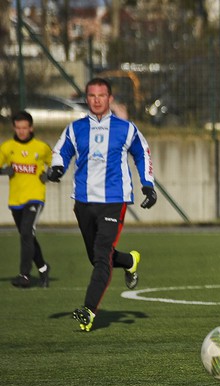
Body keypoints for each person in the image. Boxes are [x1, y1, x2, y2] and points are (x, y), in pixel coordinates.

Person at [49, 77, 157, 332]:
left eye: (102, 96)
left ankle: (88, 311)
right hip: (84, 202)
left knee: (100, 257)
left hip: (113, 201)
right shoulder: (75, 129)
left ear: (110, 98)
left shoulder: (125, 129)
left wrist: (148, 184)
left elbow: (142, 152)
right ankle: (129, 261)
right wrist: (57, 168)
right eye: (92, 96)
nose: (97, 100)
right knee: (98, 257)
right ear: (87, 99)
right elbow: (60, 152)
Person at [0, 110, 52, 288]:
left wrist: (49, 175)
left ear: (31, 128)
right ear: (14, 128)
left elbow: (56, 165)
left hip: (35, 197)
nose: (21, 131)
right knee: (26, 235)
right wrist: (3, 171)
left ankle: (24, 275)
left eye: (25, 128)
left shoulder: (41, 147)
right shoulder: (7, 148)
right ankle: (44, 268)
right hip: (16, 200)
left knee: (27, 232)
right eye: (18, 128)